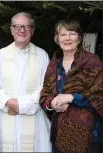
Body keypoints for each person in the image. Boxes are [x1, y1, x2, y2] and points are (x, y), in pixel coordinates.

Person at [0, 12, 52, 152]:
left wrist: (22, 106)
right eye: (17, 26)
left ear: (33, 30)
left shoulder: (42, 55)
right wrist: (8, 102)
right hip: (6, 115)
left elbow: (45, 87)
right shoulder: (1, 55)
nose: (22, 30)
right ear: (11, 30)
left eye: (27, 27)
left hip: (34, 118)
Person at [40, 19, 102, 153]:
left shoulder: (92, 62)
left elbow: (99, 97)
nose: (67, 38)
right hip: (59, 133)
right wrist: (52, 104)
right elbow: (44, 94)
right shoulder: (54, 64)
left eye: (72, 33)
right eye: (63, 34)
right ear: (57, 39)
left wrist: (72, 97)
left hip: (89, 134)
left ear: (79, 38)